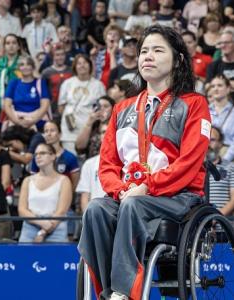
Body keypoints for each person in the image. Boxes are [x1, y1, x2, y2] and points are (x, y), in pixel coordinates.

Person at [78, 24, 211, 300]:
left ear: (178, 60)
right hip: (131, 195)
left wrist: (146, 187)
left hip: (179, 196)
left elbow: (188, 163)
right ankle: (108, 293)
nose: (147, 56)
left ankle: (125, 293)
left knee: (133, 205)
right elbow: (107, 165)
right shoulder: (122, 109)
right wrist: (120, 189)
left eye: (158, 50)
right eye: (144, 51)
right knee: (96, 209)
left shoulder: (194, 104)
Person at [18, 143, 72, 242]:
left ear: (53, 156)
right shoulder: (27, 180)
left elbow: (61, 211)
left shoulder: (64, 180)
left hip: (56, 227)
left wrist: (43, 232)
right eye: (36, 154)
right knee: (24, 256)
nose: (38, 157)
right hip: (30, 226)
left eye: (42, 153)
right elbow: (22, 209)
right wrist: (42, 223)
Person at [58, 54, 106, 154]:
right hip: (69, 130)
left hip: (89, 129)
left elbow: (103, 107)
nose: (82, 65)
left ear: (90, 65)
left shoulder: (98, 85)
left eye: (85, 63)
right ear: (75, 67)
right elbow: (61, 107)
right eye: (79, 63)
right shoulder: (67, 83)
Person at [3, 55, 51, 131]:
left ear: (33, 67)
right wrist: (18, 122)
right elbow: (7, 105)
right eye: (22, 65)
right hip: (17, 122)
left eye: (28, 64)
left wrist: (32, 121)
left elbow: (45, 105)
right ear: (18, 68)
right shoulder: (13, 82)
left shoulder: (41, 82)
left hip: (38, 122)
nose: (25, 67)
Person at [76, 123, 108, 212]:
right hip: (96, 214)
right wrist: (88, 220)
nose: (106, 135)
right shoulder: (89, 164)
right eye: (103, 132)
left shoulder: (126, 162)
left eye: (110, 131)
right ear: (100, 136)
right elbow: (85, 196)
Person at [0, 33, 22, 121]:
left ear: (18, 46)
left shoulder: (24, 64)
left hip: (18, 102)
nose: (11, 46)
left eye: (14, 43)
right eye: (8, 43)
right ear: (4, 47)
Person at [206, 127, 234, 216]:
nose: (208, 144)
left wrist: (215, 218)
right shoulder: (195, 168)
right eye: (206, 139)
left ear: (220, 144)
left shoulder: (230, 167)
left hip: (222, 226)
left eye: (212, 140)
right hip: (199, 227)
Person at [209, 75, 234, 161]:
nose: (216, 89)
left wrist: (224, 159)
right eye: (213, 86)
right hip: (206, 155)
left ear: (228, 89)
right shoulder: (204, 110)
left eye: (220, 85)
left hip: (228, 158)